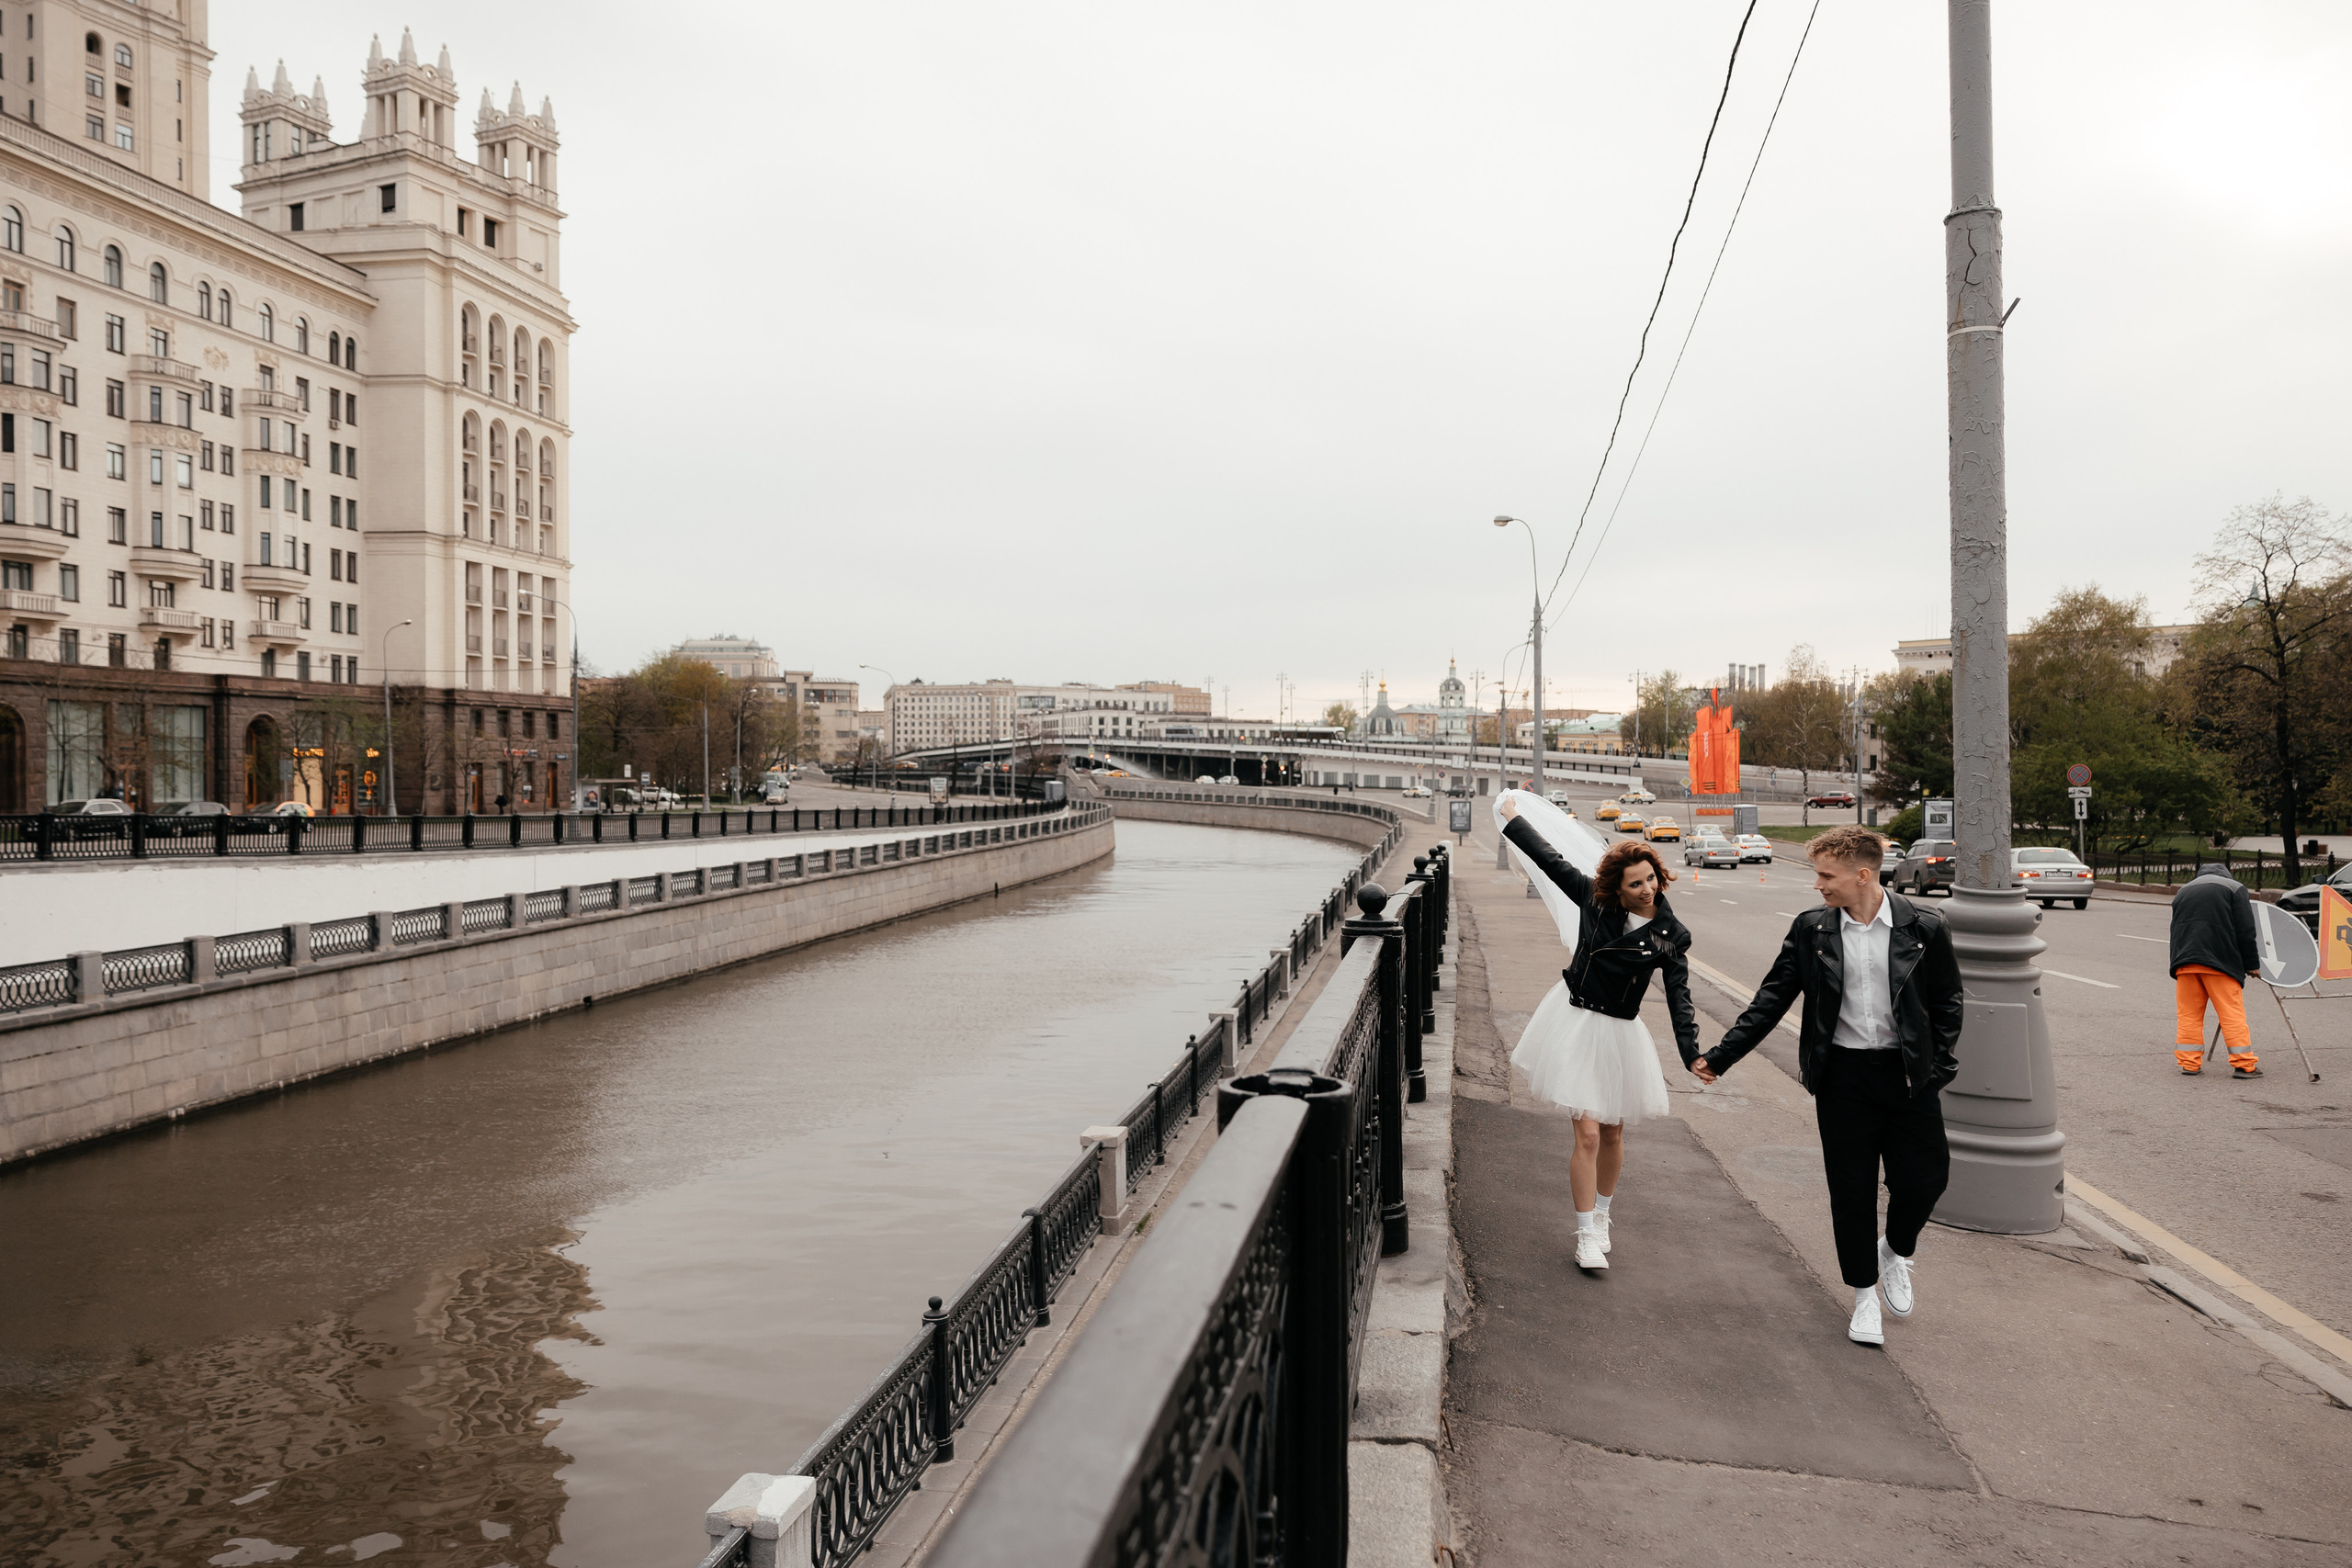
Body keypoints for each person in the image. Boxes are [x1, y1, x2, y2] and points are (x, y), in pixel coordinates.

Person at [1691, 825, 1962, 1348]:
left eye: (1825, 875)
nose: (1817, 885)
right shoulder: (1812, 929)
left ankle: (1894, 1252)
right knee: (1852, 1190)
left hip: (1908, 1076)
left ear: (1862, 875)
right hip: (1842, 1078)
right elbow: (1771, 999)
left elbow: (1948, 1003)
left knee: (1926, 1180)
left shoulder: (1925, 925)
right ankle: (1864, 1298)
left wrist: (1939, 1068)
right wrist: (1721, 1057)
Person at [1498, 791, 1697, 1273]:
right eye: (1636, 883)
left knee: (1612, 1131)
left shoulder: (1671, 935)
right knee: (1587, 1133)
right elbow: (1550, 861)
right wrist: (1513, 819)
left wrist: (1694, 1054)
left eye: (1651, 878)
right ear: (1618, 886)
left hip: (1620, 1033)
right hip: (1576, 1020)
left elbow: (1679, 997)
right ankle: (1585, 1233)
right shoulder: (1593, 898)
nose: (1647, 889)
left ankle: (1604, 1215)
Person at [2168, 863, 2262, 1077]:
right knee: (2231, 1014)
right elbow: (2246, 930)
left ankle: (2189, 1064)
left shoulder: (2184, 891)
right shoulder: (2234, 888)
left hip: (2185, 963)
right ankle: (2244, 1065)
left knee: (2188, 1015)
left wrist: (2176, 964)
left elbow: (2176, 930)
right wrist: (2252, 964)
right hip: (2220, 962)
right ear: (2226, 874)